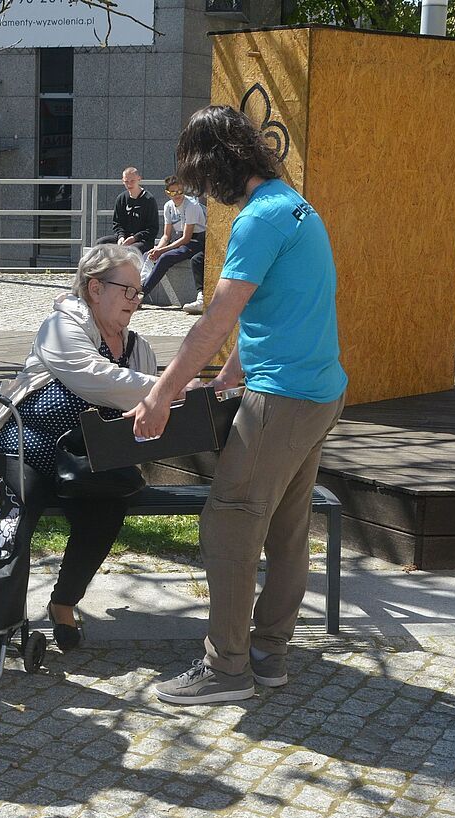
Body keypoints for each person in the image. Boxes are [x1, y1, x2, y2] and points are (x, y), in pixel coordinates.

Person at [127, 105, 347, 705]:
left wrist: (160, 396)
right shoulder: (293, 205)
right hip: (318, 390)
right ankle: (267, 657)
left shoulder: (258, 221)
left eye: (200, 176)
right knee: (285, 530)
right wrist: (225, 380)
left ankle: (226, 671)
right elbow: (271, 315)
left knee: (228, 520)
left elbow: (213, 322)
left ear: (218, 163)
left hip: (282, 398)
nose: (203, 191)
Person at [0, 243, 159, 651]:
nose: (136, 300)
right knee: (13, 519)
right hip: (22, 451)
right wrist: (168, 388)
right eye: (127, 290)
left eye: (138, 292)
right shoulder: (60, 327)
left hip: (87, 464)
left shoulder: (139, 349)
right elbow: (98, 379)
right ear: (95, 289)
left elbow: (143, 409)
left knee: (107, 510)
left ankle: (63, 602)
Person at [141, 175, 208, 314]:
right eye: (173, 192)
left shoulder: (192, 205)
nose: (177, 195)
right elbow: (166, 235)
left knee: (165, 257)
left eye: (180, 191)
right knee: (150, 254)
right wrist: (158, 248)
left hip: (196, 240)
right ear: (167, 193)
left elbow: (186, 238)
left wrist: (163, 251)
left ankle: (142, 294)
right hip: (181, 240)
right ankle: (137, 287)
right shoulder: (168, 206)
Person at [95, 167, 159, 254]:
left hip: (143, 240)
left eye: (132, 181)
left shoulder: (149, 199)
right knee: (100, 244)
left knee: (130, 250)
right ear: (122, 181)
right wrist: (121, 237)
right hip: (125, 238)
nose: (129, 184)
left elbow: (153, 228)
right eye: (126, 181)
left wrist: (135, 238)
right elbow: (117, 223)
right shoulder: (121, 198)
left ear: (139, 179)